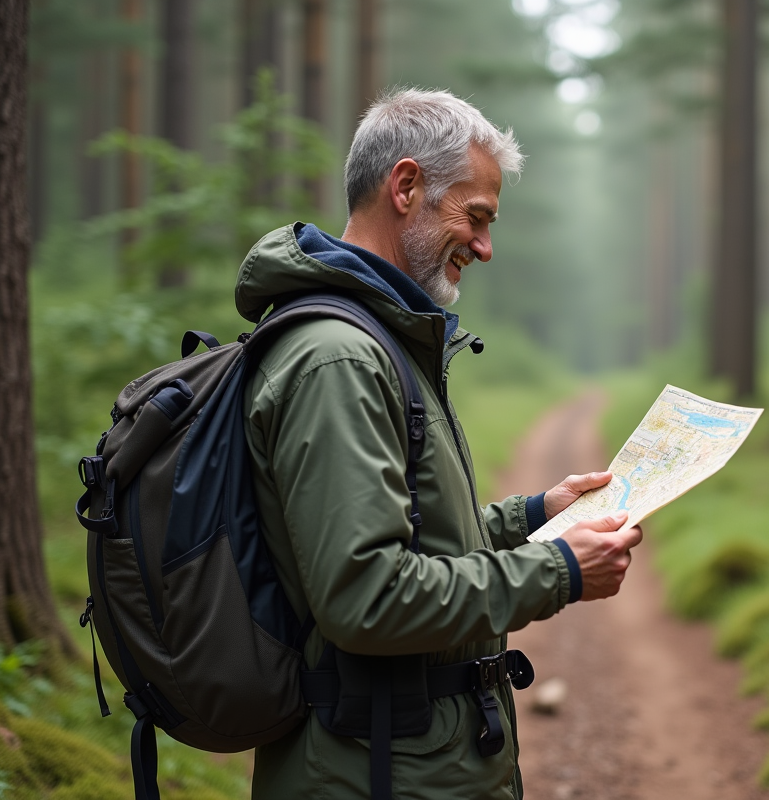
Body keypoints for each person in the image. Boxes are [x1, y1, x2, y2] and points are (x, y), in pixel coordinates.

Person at [237, 87, 644, 799]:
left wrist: (533, 516)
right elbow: (367, 595)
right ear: (406, 186)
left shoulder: (381, 342)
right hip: (373, 775)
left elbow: (411, 534)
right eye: (476, 217)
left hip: (409, 762)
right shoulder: (338, 359)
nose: (485, 247)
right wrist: (558, 571)